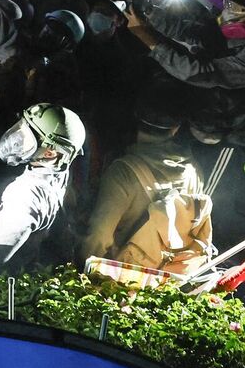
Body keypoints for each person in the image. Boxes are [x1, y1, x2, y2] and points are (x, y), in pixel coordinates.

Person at [126, 0, 245, 147]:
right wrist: (149, 13)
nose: (227, 11)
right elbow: (189, 32)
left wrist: (146, 37)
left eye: (234, 7)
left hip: (219, 125)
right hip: (203, 104)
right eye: (228, 4)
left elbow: (199, 73)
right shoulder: (240, 35)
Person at [76, 103, 215, 275]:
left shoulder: (124, 172)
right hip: (169, 276)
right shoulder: (193, 170)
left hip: (125, 276)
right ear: (176, 128)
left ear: (137, 122)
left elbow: (99, 235)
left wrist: (83, 272)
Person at [0, 103, 85, 274]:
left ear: (50, 153)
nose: (16, 139)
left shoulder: (25, 196)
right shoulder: (60, 168)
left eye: (25, 137)